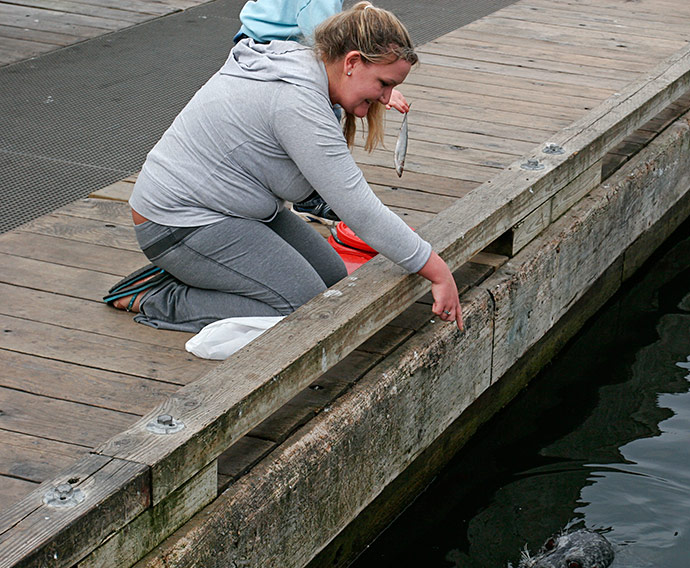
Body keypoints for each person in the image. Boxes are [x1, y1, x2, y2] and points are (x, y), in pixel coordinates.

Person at [106, 2, 463, 333]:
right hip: (177, 222)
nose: (386, 98)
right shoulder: (296, 101)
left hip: (235, 212)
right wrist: (437, 270)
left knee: (330, 278)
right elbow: (360, 212)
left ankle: (202, 274)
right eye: (384, 84)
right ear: (351, 62)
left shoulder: (308, 71)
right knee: (300, 307)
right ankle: (158, 298)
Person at [236, 0, 409, 221]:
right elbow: (325, 43)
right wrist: (375, 85)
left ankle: (304, 192)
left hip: (270, 40)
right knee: (321, 111)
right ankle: (309, 198)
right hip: (268, 47)